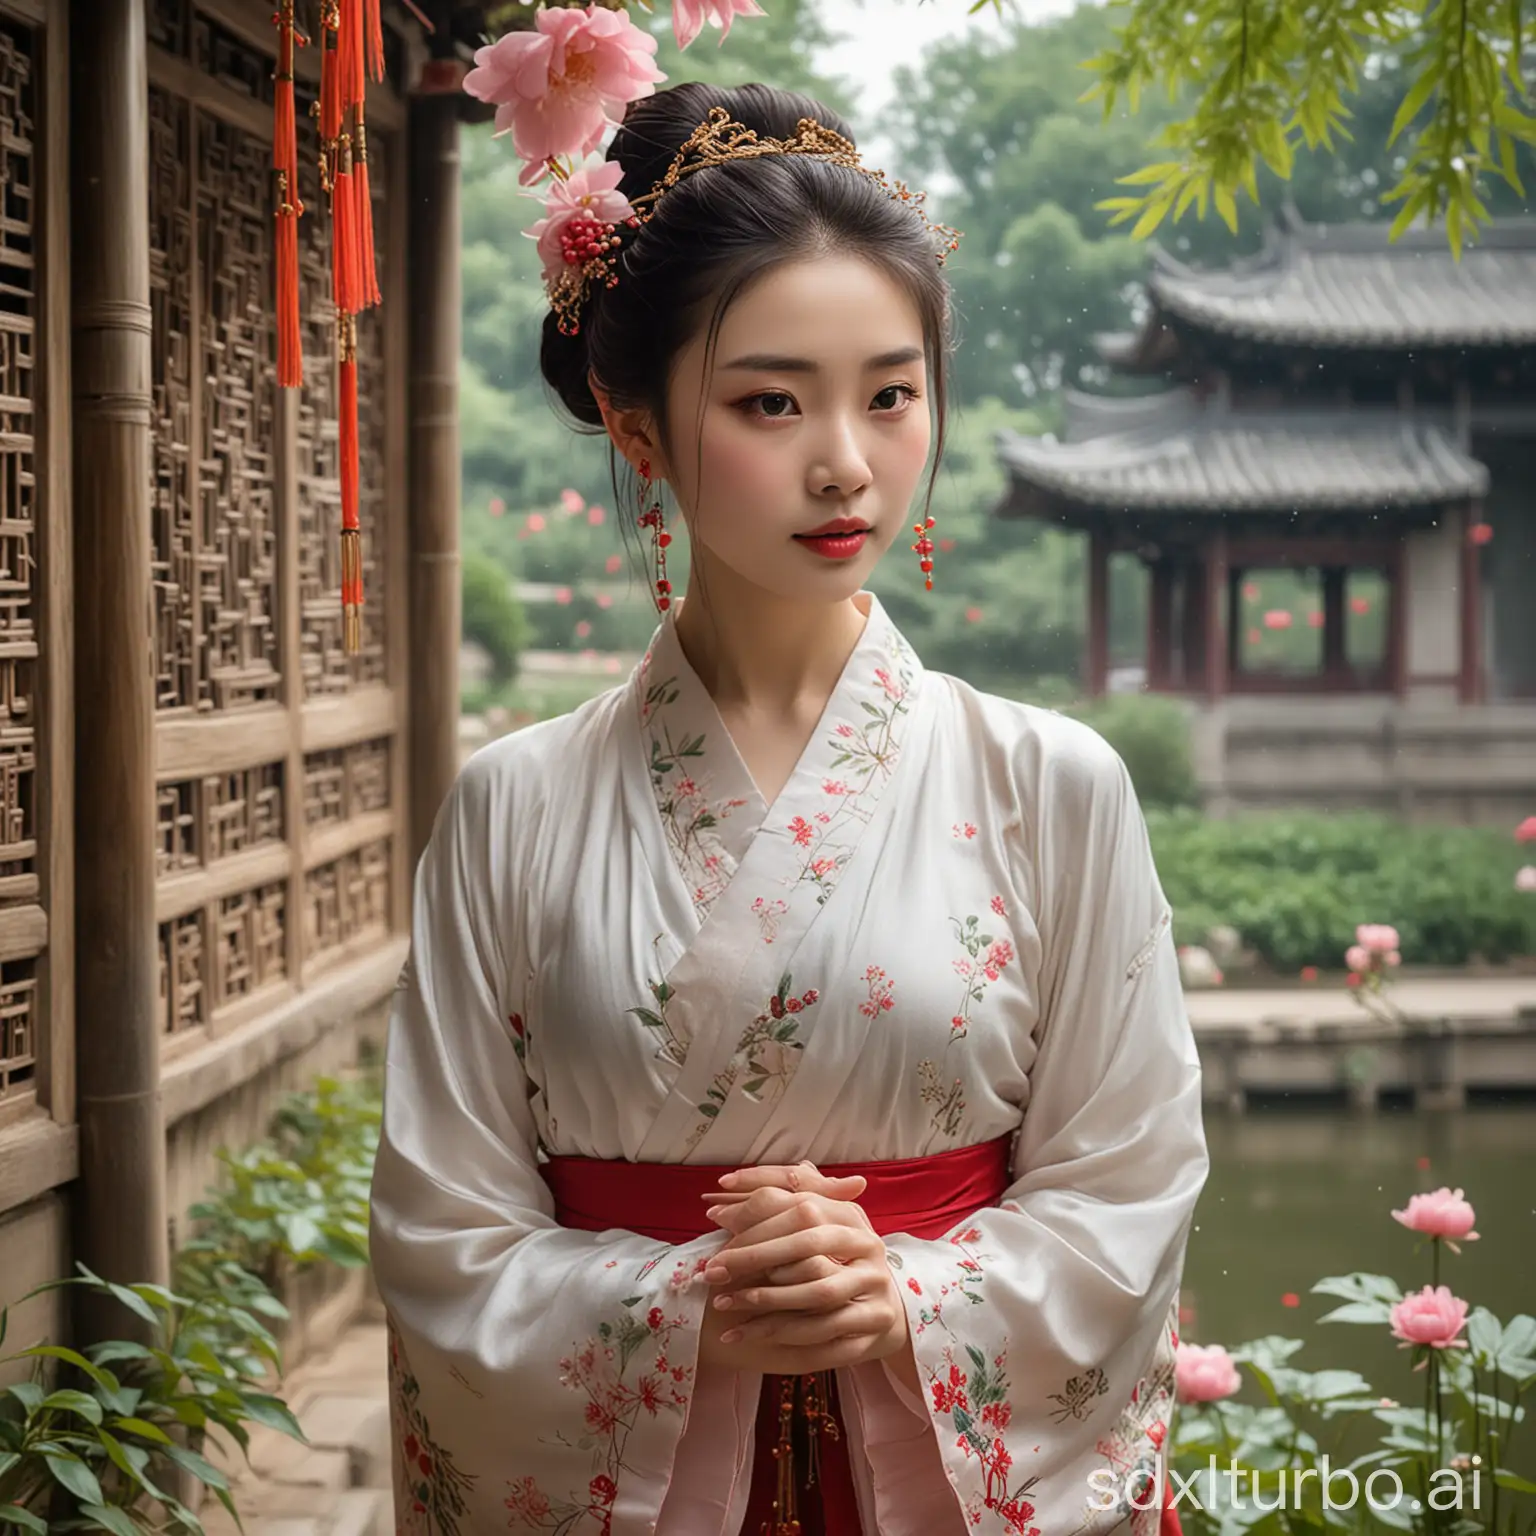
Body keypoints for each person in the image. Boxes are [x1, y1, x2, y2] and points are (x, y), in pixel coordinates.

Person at [369, 75, 1209, 1536]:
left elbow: (1128, 1187)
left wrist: (911, 1291)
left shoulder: (1052, 787)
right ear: (637, 430)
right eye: (773, 400)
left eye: (891, 394)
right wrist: (683, 1306)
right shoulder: (511, 809)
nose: (847, 461)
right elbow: (440, 1234)